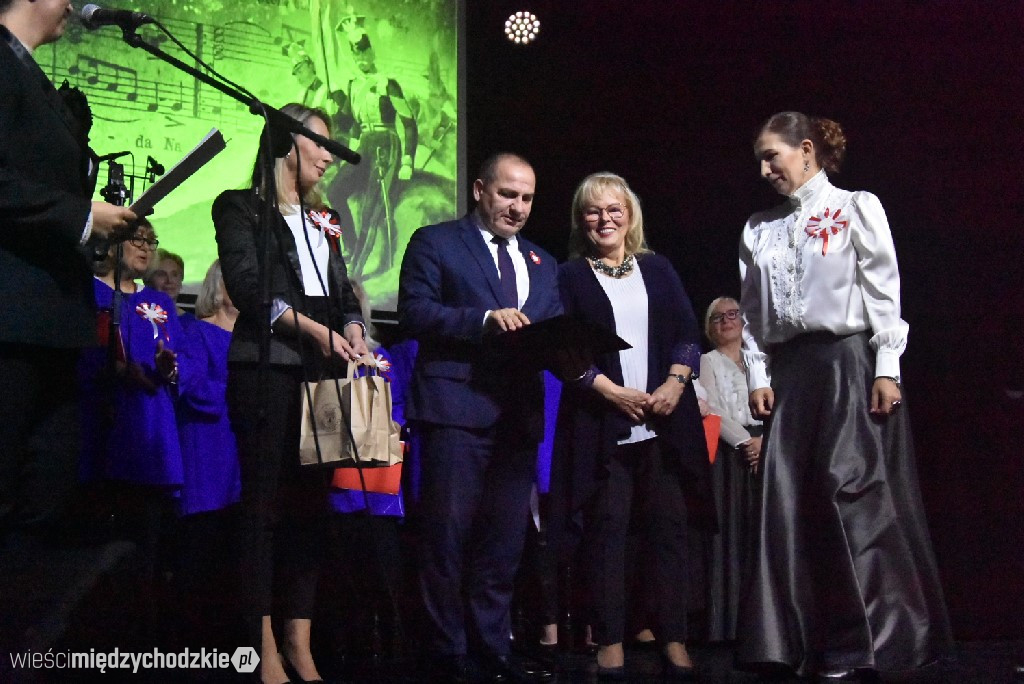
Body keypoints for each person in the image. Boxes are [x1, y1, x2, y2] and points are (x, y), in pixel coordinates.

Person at [736, 111, 952, 679]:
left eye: (771, 155)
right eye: (759, 158)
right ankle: (791, 642)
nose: (763, 169)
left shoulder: (857, 207)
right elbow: (754, 317)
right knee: (787, 505)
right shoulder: (758, 228)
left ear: (805, 150)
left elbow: (884, 291)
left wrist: (887, 367)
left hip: (847, 363)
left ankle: (872, 642)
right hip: (792, 372)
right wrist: (758, 375)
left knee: (852, 496)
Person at [213, 103, 367, 684]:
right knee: (264, 511)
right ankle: (262, 645)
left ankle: (301, 643)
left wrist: (350, 326)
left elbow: (344, 296)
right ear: (287, 142)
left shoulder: (324, 220)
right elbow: (251, 291)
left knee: (310, 511)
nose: (329, 157)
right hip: (266, 371)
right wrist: (317, 331)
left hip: (319, 378)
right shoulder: (240, 207)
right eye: (320, 144)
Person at [398, 152, 560, 683]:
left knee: (503, 544)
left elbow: (551, 329)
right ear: (479, 189)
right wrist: (485, 320)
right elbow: (415, 312)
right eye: (508, 194)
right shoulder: (435, 241)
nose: (517, 207)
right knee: (446, 538)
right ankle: (446, 652)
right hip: (456, 411)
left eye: (527, 198)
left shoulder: (542, 261)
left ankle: (493, 650)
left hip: (517, 417)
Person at [552, 172, 709, 680]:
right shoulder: (569, 276)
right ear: (582, 220)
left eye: (614, 210)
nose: (605, 219)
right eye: (594, 211)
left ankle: (674, 636)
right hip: (604, 425)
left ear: (630, 216)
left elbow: (687, 333)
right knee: (607, 534)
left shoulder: (658, 268)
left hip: (664, 423)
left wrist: (674, 384)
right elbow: (564, 349)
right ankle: (611, 639)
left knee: (669, 533)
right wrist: (608, 389)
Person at [0, 0, 137, 546]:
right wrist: (82, 215)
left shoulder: (34, 76)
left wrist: (96, 224)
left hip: (52, 321)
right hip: (12, 321)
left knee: (47, 494)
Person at [698, 296, 762, 643]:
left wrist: (766, 441)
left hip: (769, 449)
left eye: (733, 314)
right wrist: (746, 443)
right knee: (733, 537)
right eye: (717, 317)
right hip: (731, 456)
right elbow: (712, 410)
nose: (726, 320)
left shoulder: (762, 361)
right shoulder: (708, 361)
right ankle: (732, 625)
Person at [145, 248, 186, 317]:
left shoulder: (192, 323)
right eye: (161, 274)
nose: (169, 280)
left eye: (174, 275)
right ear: (148, 280)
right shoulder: (136, 318)